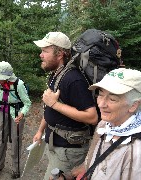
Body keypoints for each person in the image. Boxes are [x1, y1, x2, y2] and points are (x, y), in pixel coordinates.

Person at [55, 68, 141, 180]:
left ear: (133, 105)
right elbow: (92, 163)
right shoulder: (104, 125)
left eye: (112, 99)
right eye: (100, 94)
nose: (101, 104)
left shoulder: (138, 152)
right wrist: (68, 177)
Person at [32, 32, 98, 180]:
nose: (40, 55)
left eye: (45, 51)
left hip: (68, 151)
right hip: (56, 144)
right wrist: (40, 130)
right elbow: (48, 107)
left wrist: (54, 104)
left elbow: (92, 117)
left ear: (60, 54)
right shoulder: (56, 75)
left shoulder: (73, 79)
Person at [0, 61, 31, 179]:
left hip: (16, 113)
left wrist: (22, 113)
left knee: (15, 141)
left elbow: (27, 103)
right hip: (2, 112)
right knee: (1, 139)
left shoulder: (18, 84)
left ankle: (16, 168)